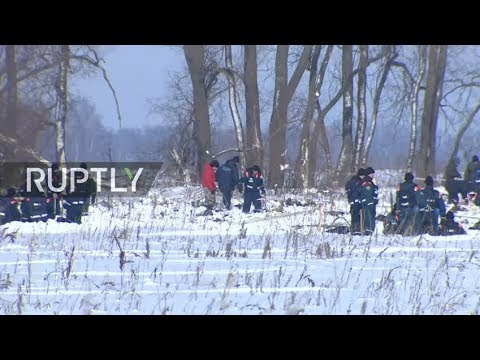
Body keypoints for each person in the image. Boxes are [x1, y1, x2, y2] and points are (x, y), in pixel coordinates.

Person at [359, 167, 378, 235]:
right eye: (371, 174)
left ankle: (370, 230)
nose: (373, 175)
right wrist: (371, 202)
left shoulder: (371, 182)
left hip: (371, 203)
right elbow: (367, 193)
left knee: (371, 216)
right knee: (369, 217)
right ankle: (368, 230)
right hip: (369, 203)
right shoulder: (367, 183)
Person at [345, 168, 365, 234]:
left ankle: (357, 228)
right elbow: (354, 192)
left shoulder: (356, 181)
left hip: (356, 202)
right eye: (362, 175)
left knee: (356, 216)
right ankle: (355, 229)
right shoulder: (355, 182)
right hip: (355, 202)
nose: (363, 177)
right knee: (355, 216)